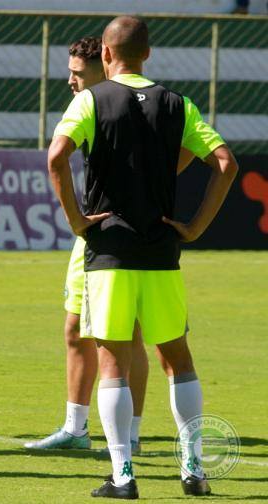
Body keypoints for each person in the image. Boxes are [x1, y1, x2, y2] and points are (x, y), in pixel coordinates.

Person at [48, 16, 237, 499]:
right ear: (147, 55)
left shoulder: (90, 100)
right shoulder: (177, 103)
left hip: (109, 249)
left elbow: (56, 157)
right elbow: (225, 163)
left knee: (112, 360)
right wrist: (195, 226)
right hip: (161, 250)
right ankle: (193, 469)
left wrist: (76, 219)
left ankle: (123, 476)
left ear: (106, 55)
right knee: (178, 358)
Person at [25, 37, 150, 454]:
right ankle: (75, 428)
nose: (70, 81)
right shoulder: (89, 103)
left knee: (128, 335)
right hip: (91, 236)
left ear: (106, 64)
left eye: (78, 73)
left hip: (125, 236)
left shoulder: (137, 102)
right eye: (70, 71)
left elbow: (56, 156)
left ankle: (130, 435)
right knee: (75, 329)